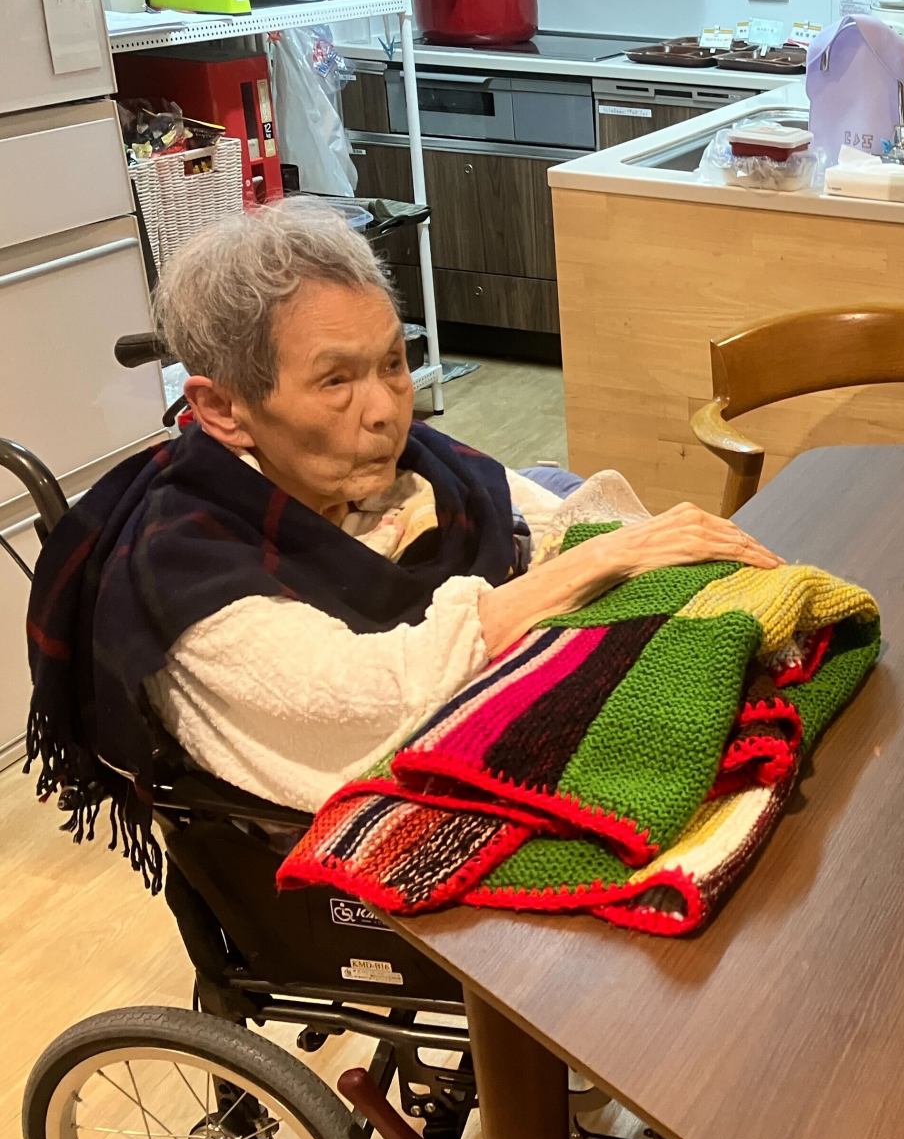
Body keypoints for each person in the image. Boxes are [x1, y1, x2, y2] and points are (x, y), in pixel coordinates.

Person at [24, 200, 783, 855]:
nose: (388, 409)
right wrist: (589, 565)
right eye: (336, 380)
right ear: (224, 410)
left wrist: (628, 551)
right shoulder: (187, 572)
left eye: (392, 362)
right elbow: (369, 698)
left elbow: (550, 517)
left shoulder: (403, 466)